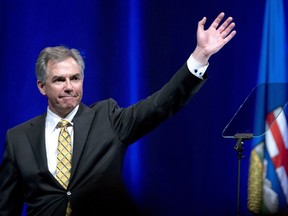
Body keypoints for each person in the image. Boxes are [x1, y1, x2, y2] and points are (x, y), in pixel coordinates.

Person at [0, 12, 236, 216]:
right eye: (59, 80)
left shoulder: (108, 119)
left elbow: (158, 105)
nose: (69, 86)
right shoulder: (18, 138)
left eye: (75, 78)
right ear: (42, 86)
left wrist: (200, 56)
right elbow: (6, 207)